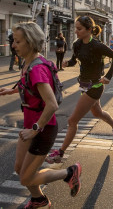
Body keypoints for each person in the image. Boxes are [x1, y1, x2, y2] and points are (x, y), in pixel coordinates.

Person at [0, 22, 82, 208]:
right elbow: (30, 85)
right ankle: (39, 200)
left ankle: (69, 172)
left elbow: (52, 104)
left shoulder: (37, 68)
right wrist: (11, 91)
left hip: (42, 130)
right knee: (20, 169)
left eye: (17, 41)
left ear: (29, 42)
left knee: (25, 178)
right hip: (30, 126)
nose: (13, 45)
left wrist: (35, 130)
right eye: (13, 41)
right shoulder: (30, 62)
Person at [46, 16, 113, 164]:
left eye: (79, 29)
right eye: (75, 28)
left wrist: (108, 76)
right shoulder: (77, 44)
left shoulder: (97, 45)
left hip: (95, 87)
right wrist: (66, 63)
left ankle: (60, 153)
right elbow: (74, 60)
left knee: (72, 120)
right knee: (97, 112)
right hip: (83, 85)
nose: (76, 31)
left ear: (89, 30)